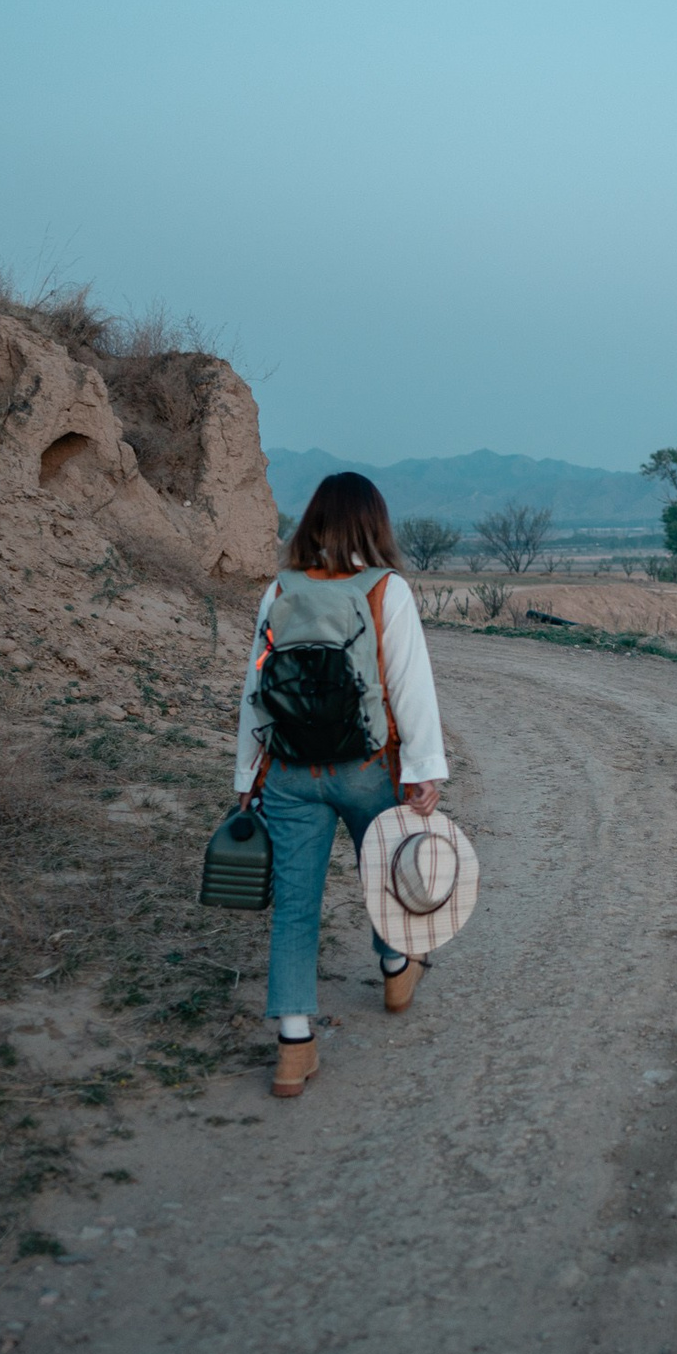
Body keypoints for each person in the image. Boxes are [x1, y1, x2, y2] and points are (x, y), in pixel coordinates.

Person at [235, 471, 449, 1099]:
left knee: (296, 905)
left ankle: (294, 1047)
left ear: (315, 523)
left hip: (290, 773)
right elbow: (411, 688)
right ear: (374, 524)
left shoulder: (280, 589)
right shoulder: (387, 590)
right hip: (366, 767)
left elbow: (255, 692)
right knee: (385, 872)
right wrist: (422, 773)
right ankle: (393, 966)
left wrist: (247, 776)